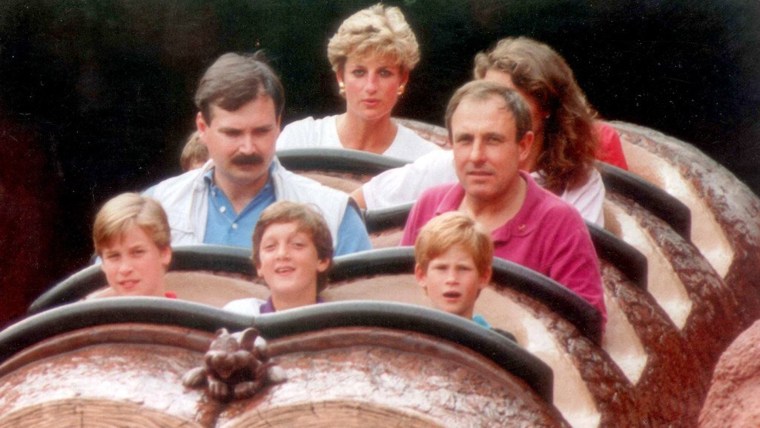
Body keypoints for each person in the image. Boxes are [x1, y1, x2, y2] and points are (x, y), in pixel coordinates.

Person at [352, 36, 624, 226]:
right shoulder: (451, 163)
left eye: (509, 99)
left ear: (546, 106)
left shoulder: (578, 180)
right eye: (487, 96)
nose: (494, 111)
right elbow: (358, 203)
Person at [401, 81, 606, 323]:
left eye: (493, 140)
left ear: (523, 146)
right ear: (451, 144)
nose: (477, 156)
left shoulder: (560, 221)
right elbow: (401, 294)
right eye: (465, 140)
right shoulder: (429, 203)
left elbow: (585, 330)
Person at [145, 52, 371, 256]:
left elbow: (360, 300)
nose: (248, 148)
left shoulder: (334, 215)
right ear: (203, 128)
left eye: (261, 131)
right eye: (233, 133)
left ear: (278, 124)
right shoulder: (157, 206)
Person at [276, 4, 441, 161]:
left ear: (402, 79)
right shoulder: (302, 140)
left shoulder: (425, 159)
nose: (371, 86)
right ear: (340, 76)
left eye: (384, 73)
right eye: (359, 72)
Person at [224, 201, 333, 315]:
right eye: (270, 247)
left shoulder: (339, 323)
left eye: (297, 244)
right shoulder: (239, 315)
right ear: (259, 265)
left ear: (323, 260)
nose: (282, 254)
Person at [414, 211, 493, 327]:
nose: (451, 279)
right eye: (441, 268)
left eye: (463, 268)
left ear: (483, 277)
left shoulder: (498, 342)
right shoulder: (407, 338)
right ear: (421, 275)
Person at [92, 192, 176, 298]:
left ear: (164, 253)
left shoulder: (192, 314)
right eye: (114, 256)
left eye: (137, 252)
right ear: (102, 263)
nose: (125, 269)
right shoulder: (86, 314)